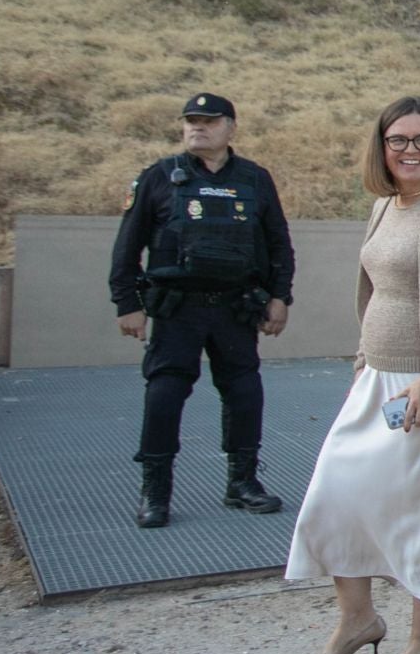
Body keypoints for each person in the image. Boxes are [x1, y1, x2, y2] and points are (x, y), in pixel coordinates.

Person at [284, 97, 420, 654]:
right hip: (376, 375)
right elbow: (373, 291)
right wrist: (362, 362)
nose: (410, 150)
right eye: (398, 140)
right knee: (335, 495)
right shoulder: (384, 205)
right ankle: (359, 619)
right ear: (380, 147)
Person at [109, 92, 294, 529]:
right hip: (178, 310)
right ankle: (156, 491)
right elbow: (127, 248)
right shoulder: (158, 177)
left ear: (230, 127)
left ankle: (242, 482)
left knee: (245, 394)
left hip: (235, 309)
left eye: (209, 121)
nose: (198, 127)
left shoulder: (254, 179)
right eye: (191, 120)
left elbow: (277, 244)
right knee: (164, 396)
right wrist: (127, 304)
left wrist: (279, 296)